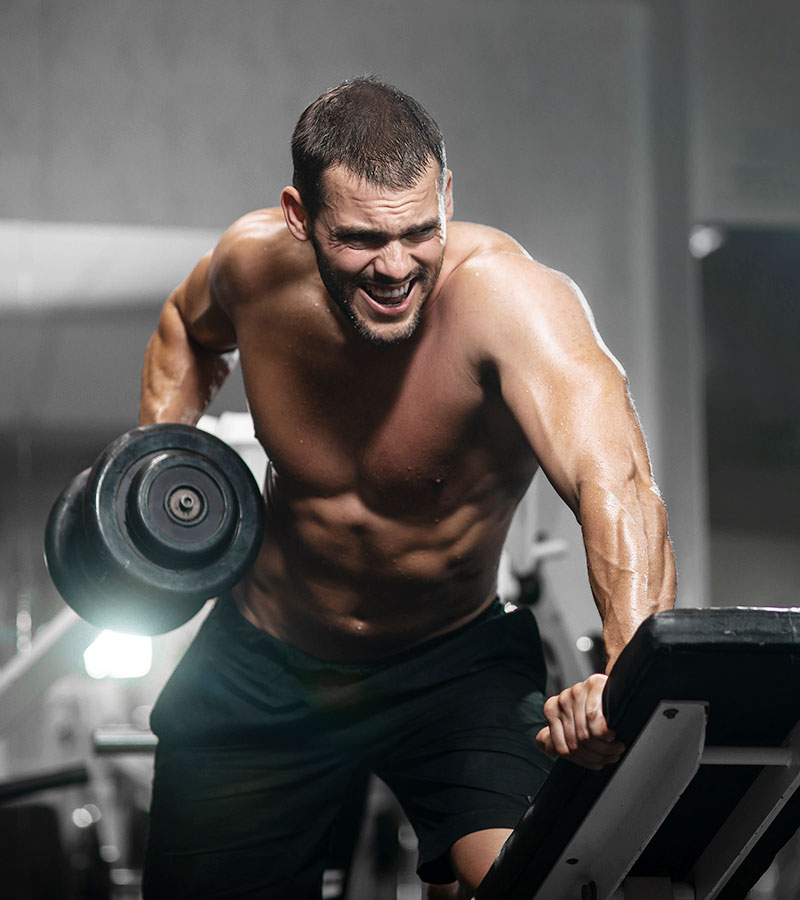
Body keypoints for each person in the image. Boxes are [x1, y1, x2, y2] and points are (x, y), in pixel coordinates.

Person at [139, 76, 676, 899]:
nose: (395, 268)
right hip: (264, 657)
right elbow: (185, 329)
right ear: (299, 217)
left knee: (532, 882)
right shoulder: (251, 269)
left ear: (447, 197)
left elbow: (620, 482)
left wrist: (626, 672)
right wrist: (156, 472)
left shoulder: (513, 305)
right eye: (359, 239)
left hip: (451, 663)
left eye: (420, 232)